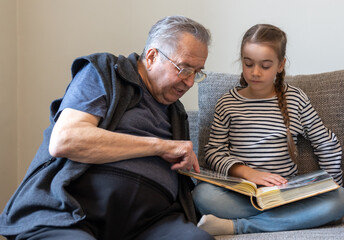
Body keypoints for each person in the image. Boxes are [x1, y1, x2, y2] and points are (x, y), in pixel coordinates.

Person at [0, 16, 214, 240]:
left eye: (197, 72)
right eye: (184, 69)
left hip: (151, 222)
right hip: (74, 214)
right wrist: (159, 146)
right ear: (151, 57)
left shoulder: (176, 112)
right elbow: (65, 140)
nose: (190, 82)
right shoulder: (106, 72)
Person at [192, 24, 344, 236]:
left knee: (339, 199)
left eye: (265, 66)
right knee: (201, 195)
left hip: (286, 196)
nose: (255, 72)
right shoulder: (227, 103)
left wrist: (331, 184)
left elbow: (325, 143)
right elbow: (214, 152)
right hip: (242, 195)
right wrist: (248, 173)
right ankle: (287, 220)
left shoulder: (296, 99)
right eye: (248, 64)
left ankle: (237, 226)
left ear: (280, 65)